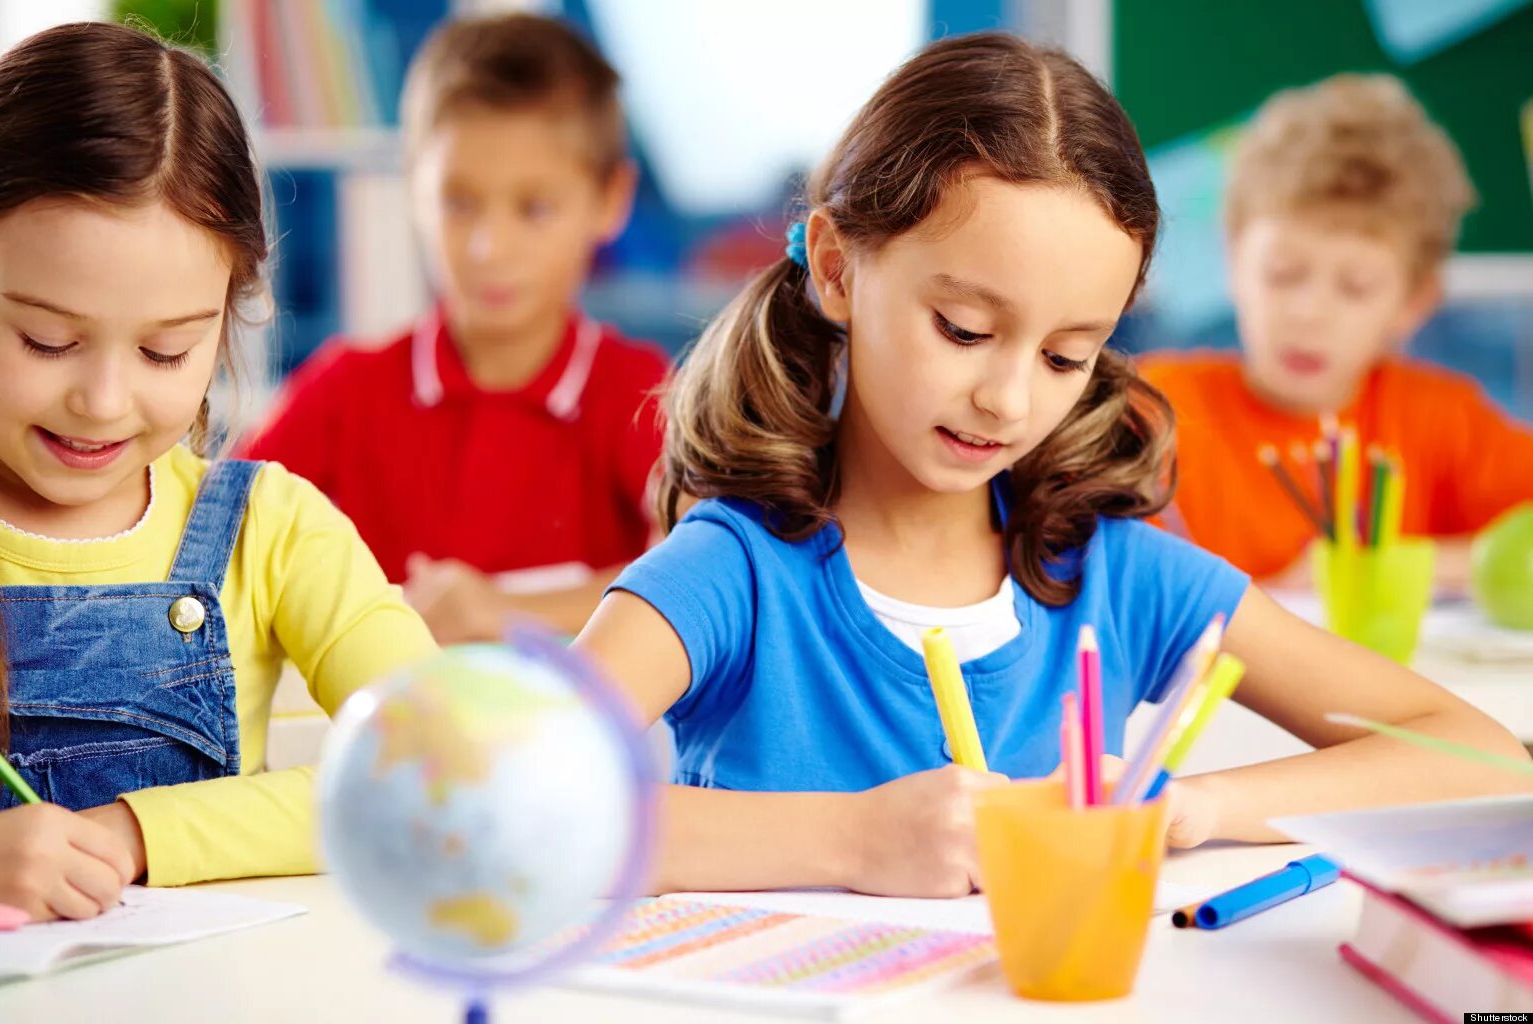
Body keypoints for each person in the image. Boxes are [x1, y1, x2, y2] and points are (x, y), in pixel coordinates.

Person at [571, 34, 1531, 897]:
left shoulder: (1116, 576)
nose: (1009, 398)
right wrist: (855, 839)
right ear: (835, 269)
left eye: (1067, 356)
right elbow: (512, 800)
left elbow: (1486, 760)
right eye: (965, 329)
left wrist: (1183, 807)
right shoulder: (730, 574)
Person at [0, 22, 435, 899]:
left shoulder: (273, 531)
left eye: (165, 353)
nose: (104, 401)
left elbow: (432, 767)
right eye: (47, 340)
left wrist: (135, 834)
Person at [239, 13, 668, 640]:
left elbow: (714, 569)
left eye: (535, 207)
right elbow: (220, 532)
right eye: (458, 203)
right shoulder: (346, 388)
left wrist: (502, 614)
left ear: (610, 201)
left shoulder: (642, 392)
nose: (488, 248)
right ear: (413, 189)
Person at [1139, 74, 1533, 586]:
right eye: (1283, 273)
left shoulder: (1440, 420)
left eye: (1355, 287)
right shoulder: (1158, 411)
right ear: (1232, 260)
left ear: (1414, 301)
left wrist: (1390, 567)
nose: (1310, 313)